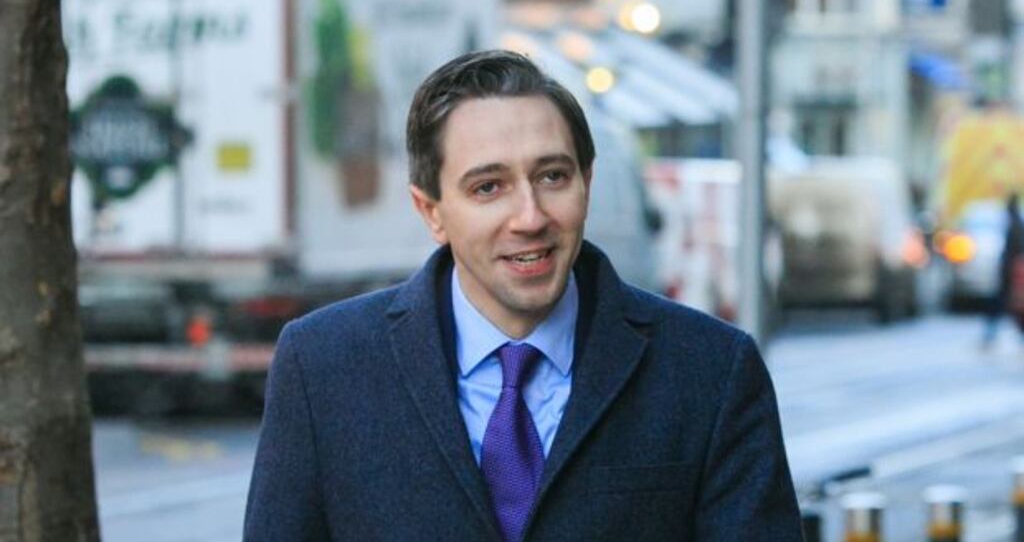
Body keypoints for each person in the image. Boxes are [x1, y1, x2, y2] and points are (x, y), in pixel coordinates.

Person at [243, 50, 802, 541]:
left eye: (552, 176)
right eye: (489, 187)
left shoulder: (711, 369)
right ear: (431, 212)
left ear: (587, 182)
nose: (530, 217)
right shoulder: (322, 366)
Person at [982, 192, 1024, 348]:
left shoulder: (1015, 225)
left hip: (1010, 273)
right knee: (1010, 306)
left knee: (1003, 304)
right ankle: (989, 334)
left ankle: (989, 335)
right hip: (1010, 272)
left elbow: (1015, 252)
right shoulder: (1016, 223)